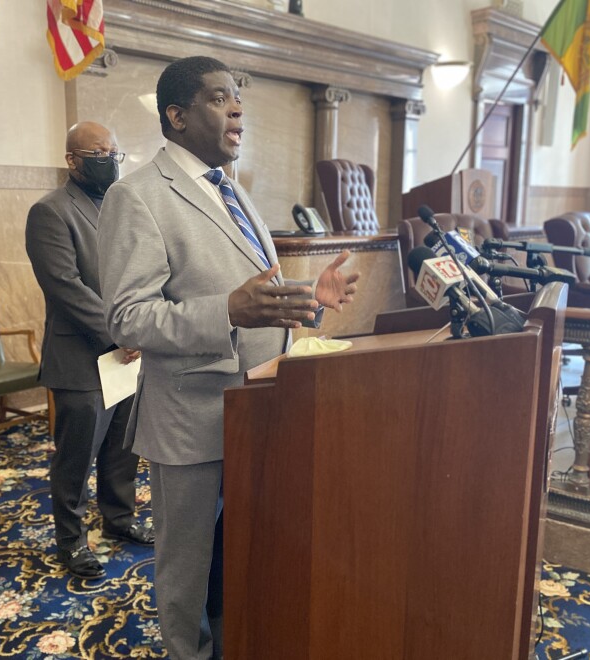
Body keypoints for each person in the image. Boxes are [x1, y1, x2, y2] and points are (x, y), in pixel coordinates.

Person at [96, 56, 359, 659]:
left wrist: (308, 301)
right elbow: (128, 318)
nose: (237, 108)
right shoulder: (136, 197)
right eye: (219, 99)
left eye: (238, 98)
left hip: (261, 410)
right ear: (177, 115)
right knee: (188, 568)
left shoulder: (232, 189)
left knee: (242, 555)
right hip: (192, 417)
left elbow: (251, 296)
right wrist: (228, 312)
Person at [25, 121, 155, 581]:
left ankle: (118, 520)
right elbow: (64, 286)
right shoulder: (50, 211)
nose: (109, 159)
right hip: (82, 357)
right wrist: (119, 331)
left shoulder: (123, 205)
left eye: (115, 151)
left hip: (129, 353)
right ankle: (71, 539)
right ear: (72, 160)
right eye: (98, 152)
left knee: (123, 446)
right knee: (76, 455)